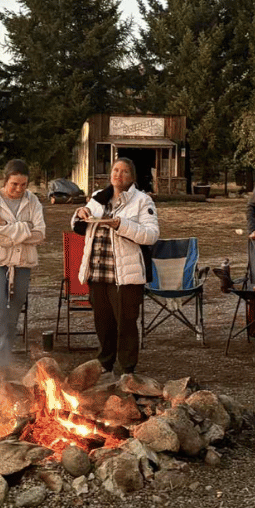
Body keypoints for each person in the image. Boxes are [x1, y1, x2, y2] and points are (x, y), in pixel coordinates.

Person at [71, 158, 159, 376]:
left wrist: (121, 225)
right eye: (116, 170)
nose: (119, 175)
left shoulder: (142, 201)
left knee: (126, 323)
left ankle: (128, 369)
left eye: (125, 171)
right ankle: (105, 362)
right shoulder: (98, 197)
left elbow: (151, 235)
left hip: (126, 274)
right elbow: (79, 226)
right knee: (103, 321)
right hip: (98, 269)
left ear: (132, 177)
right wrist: (79, 213)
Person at [0, 159, 45, 381]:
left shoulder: (33, 201)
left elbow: (41, 233)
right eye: (14, 184)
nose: (19, 189)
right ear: (5, 181)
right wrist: (25, 229)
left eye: (23, 185)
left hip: (21, 263)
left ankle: (5, 362)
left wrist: (9, 230)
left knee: (13, 312)